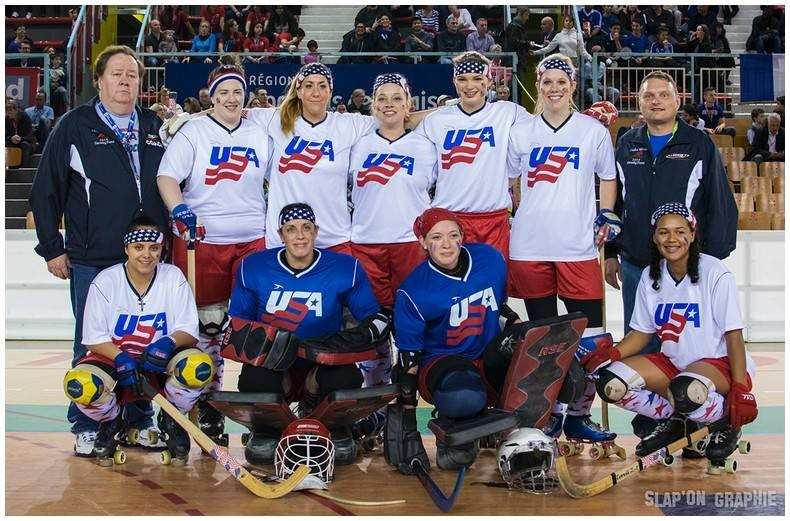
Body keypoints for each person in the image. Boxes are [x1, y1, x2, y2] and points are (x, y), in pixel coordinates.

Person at [29, 45, 170, 457]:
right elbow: (45, 190)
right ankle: (88, 424)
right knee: (92, 342)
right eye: (117, 74)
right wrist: (52, 248)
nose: (125, 81)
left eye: (132, 75)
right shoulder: (75, 125)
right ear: (100, 79)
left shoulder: (154, 124)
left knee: (146, 340)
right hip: (94, 256)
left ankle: (139, 421)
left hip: (148, 256)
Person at [607, 71, 738, 439]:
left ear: (677, 101)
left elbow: (717, 200)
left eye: (664, 95)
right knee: (644, 339)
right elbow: (614, 203)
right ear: (639, 102)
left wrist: (708, 259)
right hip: (636, 261)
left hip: (685, 263)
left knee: (692, 339)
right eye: (649, 96)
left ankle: (698, 414)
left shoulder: (698, 143)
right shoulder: (626, 142)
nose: (656, 101)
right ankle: (654, 422)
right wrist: (611, 251)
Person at [585, 203, 757, 460]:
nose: (672, 239)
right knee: (611, 383)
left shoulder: (715, 272)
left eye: (679, 231)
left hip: (717, 364)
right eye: (664, 232)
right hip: (673, 363)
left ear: (692, 234)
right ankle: (677, 420)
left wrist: (740, 387)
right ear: (654, 237)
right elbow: (642, 334)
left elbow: (733, 335)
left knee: (684, 389)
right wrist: (612, 354)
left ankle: (726, 421)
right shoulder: (649, 277)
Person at [505, 54, 619, 441]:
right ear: (539, 86)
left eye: (561, 82)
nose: (554, 88)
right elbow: (512, 181)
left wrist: (606, 214)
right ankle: (546, 415)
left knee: (589, 338)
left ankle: (578, 416)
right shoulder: (522, 131)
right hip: (530, 246)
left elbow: (607, 177)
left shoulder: (592, 131)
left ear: (572, 86)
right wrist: (523, 211)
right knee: (544, 341)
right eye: (547, 81)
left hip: (577, 246)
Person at [157, 63, 270, 444]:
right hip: (202, 240)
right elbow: (167, 175)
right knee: (204, 329)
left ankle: (241, 405)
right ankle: (196, 402)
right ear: (211, 96)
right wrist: (178, 209)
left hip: (252, 237)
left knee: (247, 329)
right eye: (223, 92)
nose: (231, 99)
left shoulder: (261, 127)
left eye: (237, 91)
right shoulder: (195, 131)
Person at [227, 202, 391, 465]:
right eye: (291, 229)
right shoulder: (253, 268)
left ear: (316, 231)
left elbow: (374, 317)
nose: (300, 235)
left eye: (306, 228)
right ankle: (268, 430)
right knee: (253, 378)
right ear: (281, 235)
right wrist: (266, 345)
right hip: (275, 365)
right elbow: (237, 325)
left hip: (322, 362)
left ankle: (332, 426)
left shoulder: (345, 269)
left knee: (347, 375)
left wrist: (355, 339)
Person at [62, 216, 208, 466]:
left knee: (199, 367)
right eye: (139, 247)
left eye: (154, 248)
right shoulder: (106, 281)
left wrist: (169, 343)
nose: (147, 255)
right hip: (116, 359)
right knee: (80, 384)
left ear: (161, 249)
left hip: (162, 360)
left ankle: (171, 419)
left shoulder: (173, 277)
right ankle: (111, 421)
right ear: (126, 249)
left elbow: (189, 329)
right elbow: (93, 338)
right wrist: (119, 357)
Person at [390, 208, 528, 471]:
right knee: (464, 397)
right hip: (443, 362)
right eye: (437, 237)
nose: (446, 244)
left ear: (462, 237)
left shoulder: (490, 260)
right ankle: (455, 426)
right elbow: (409, 360)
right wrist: (407, 421)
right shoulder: (413, 290)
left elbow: (499, 307)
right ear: (423, 242)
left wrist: (520, 332)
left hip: (486, 353)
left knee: (535, 370)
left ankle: (513, 434)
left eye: (453, 235)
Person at [349, 74, 437, 387]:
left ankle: (407, 398)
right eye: (382, 98)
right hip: (365, 243)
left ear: (408, 105)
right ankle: (374, 402)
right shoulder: (356, 143)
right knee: (372, 327)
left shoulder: (426, 146)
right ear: (372, 105)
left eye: (397, 98)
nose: (389, 105)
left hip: (410, 244)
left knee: (410, 325)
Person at [414, 51, 532, 258]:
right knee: (451, 287)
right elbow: (403, 123)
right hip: (449, 222)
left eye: (477, 79)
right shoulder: (436, 121)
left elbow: (546, 128)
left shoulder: (509, 113)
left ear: (488, 81)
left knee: (494, 287)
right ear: (454, 82)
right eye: (462, 79)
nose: (470, 86)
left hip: (493, 221)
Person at [5, 97, 35, 168]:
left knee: (24, 145)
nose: (9, 112)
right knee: (7, 144)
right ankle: (12, 167)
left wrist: (20, 139)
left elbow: (30, 136)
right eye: (7, 110)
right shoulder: (7, 119)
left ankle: (23, 169)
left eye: (11, 110)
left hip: (26, 142)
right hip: (13, 142)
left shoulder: (25, 117)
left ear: (17, 110)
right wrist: (11, 138)